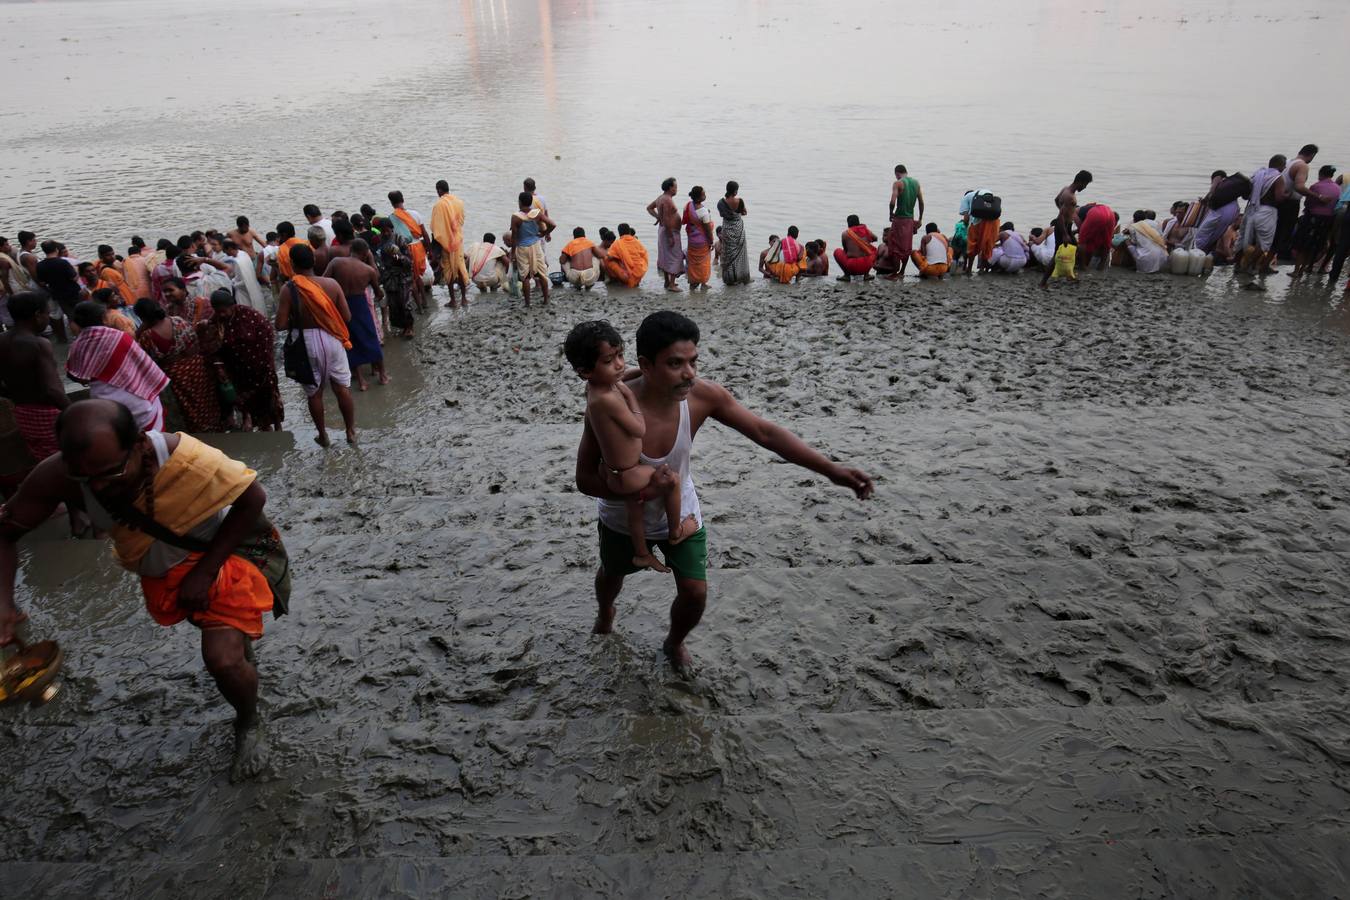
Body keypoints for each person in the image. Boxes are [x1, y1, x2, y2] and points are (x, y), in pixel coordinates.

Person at [0, 398, 290, 780]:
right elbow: (6, 533)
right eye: (87, 479)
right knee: (225, 642)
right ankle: (237, 643)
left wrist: (205, 572)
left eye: (111, 472)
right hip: (165, 573)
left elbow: (253, 498)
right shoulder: (59, 476)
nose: (99, 487)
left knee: (221, 659)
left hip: (227, 555)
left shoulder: (186, 457)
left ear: (139, 444)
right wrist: (4, 602)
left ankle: (249, 723)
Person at [574, 311, 874, 670]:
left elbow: (764, 432)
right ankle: (606, 613)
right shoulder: (607, 407)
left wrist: (830, 469)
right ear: (646, 365)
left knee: (695, 592)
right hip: (623, 519)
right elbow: (584, 480)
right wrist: (639, 492)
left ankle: (675, 642)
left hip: (680, 511)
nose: (689, 373)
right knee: (611, 573)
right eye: (675, 364)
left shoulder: (702, 397)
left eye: (693, 361)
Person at [565, 321, 696, 573]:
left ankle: (641, 553)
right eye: (609, 361)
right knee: (672, 480)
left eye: (620, 356)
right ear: (585, 371)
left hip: (612, 471)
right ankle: (676, 530)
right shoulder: (609, 400)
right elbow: (638, 429)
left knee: (634, 511)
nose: (619, 365)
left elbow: (622, 376)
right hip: (629, 474)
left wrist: (639, 374)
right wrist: (631, 398)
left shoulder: (595, 388)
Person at [276, 244, 356, 447]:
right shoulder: (331, 284)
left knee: (314, 392)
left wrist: (299, 317)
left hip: (306, 343)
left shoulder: (289, 288)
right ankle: (350, 431)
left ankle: (323, 435)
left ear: (292, 264)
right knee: (342, 387)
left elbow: (280, 325)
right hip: (333, 339)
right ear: (313, 261)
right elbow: (346, 316)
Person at [66, 303, 168, 430]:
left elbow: (74, 375)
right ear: (103, 318)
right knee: (153, 439)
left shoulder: (77, 346)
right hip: (136, 396)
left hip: (105, 404)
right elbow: (143, 363)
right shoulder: (119, 337)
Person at [197, 289, 283, 431]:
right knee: (249, 405)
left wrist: (266, 366)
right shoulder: (216, 320)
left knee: (270, 403)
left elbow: (268, 337)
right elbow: (212, 347)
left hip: (261, 369)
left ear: (232, 306)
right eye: (218, 311)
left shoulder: (252, 317)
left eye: (224, 311)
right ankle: (257, 424)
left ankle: (278, 431)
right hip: (238, 372)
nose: (221, 315)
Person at [133, 298, 222, 433]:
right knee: (205, 398)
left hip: (176, 375)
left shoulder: (147, 336)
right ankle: (215, 426)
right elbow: (194, 339)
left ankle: (200, 432)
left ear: (142, 317)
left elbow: (146, 360)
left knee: (188, 405)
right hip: (196, 367)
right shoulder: (178, 321)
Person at [0, 293, 69, 464]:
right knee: (65, 461)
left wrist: (17, 396)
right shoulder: (38, 344)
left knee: (45, 461)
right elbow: (52, 390)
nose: (48, 317)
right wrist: (73, 411)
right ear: (38, 315)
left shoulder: (2, 340)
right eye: (47, 313)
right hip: (47, 414)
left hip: (23, 414)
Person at [324, 241, 387, 391]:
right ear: (365, 254)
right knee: (371, 338)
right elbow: (378, 293)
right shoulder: (368, 270)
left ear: (350, 249)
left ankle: (361, 381)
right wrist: (381, 295)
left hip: (342, 305)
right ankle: (382, 375)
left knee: (350, 341)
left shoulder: (336, 262)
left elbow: (324, 281)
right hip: (360, 305)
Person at [1236, 155, 1289, 276]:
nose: (1285, 167)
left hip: (1250, 209)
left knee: (1242, 239)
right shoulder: (1278, 177)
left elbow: (1246, 194)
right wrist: (1287, 194)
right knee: (1264, 244)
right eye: (1284, 164)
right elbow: (1279, 197)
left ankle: (1237, 265)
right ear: (1280, 165)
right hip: (1266, 212)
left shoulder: (1257, 174)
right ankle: (1249, 266)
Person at [1289, 164, 1339, 281]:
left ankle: (1296, 271)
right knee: (1314, 246)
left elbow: (1308, 204)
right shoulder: (1337, 188)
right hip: (1327, 221)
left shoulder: (1316, 187)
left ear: (1320, 174)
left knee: (1302, 246)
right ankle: (1304, 269)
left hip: (1312, 219)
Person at [388, 191, 431, 313]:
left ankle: (420, 308)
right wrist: (429, 249)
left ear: (391, 202)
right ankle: (425, 301)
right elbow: (424, 233)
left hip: (405, 249)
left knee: (411, 279)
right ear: (403, 199)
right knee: (418, 277)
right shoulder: (415, 214)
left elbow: (393, 238)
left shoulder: (392, 218)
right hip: (418, 248)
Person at [510, 191, 556, 306]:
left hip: (522, 248)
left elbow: (514, 237)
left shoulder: (516, 217)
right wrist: (544, 233)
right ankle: (545, 300)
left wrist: (512, 252)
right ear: (531, 203)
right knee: (542, 274)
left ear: (520, 202)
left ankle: (527, 303)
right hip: (536, 246)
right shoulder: (537, 214)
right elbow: (553, 224)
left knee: (525, 276)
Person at [1275, 144, 1318, 262]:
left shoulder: (1287, 162)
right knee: (1284, 232)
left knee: (1276, 231)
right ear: (1312, 155)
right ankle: (1276, 258)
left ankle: (1268, 257)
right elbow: (1299, 187)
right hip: (1290, 203)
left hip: (1278, 200)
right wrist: (1317, 196)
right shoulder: (1302, 166)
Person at [374, 218, 415, 339]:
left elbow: (409, 260)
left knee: (405, 302)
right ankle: (402, 326)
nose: (386, 233)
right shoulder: (378, 241)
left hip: (402, 275)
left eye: (388, 231)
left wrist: (399, 258)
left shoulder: (399, 239)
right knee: (393, 304)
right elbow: (377, 258)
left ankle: (409, 327)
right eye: (383, 231)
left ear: (392, 229)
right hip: (388, 276)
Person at [432, 180, 469, 309]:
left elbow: (436, 228)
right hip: (458, 241)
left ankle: (453, 300)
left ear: (439, 190)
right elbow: (461, 220)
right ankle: (464, 298)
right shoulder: (459, 202)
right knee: (460, 267)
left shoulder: (439, 205)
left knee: (448, 271)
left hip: (446, 243)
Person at [33, 240, 79, 341]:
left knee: (66, 315)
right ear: (56, 249)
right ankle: (80, 336)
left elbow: (42, 283)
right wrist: (76, 269)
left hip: (57, 293)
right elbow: (74, 278)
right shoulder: (63, 262)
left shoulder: (40, 265)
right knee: (75, 316)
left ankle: (63, 338)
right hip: (72, 292)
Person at [648, 177, 686, 292]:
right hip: (669, 231)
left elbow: (649, 208)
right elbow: (668, 219)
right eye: (675, 187)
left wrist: (657, 217)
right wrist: (670, 236)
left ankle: (667, 281)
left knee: (665, 256)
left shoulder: (661, 198)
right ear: (670, 188)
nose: (677, 189)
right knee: (675, 256)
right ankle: (672, 284)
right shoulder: (667, 200)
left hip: (664, 230)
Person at [886, 164, 924, 279]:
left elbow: (893, 201)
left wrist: (890, 213)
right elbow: (921, 202)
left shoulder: (898, 183)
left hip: (899, 218)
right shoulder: (916, 183)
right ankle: (902, 272)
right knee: (907, 246)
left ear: (897, 173)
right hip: (910, 219)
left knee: (895, 245)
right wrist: (920, 218)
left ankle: (894, 273)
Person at [1192, 170, 1237, 254]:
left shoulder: (1218, 178)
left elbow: (1212, 190)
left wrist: (1205, 200)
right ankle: (1207, 255)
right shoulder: (1230, 186)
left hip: (1222, 213)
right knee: (1215, 235)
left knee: (1200, 236)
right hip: (1232, 212)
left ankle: (1198, 255)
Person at [717, 181, 751, 285]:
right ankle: (742, 276)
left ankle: (730, 279)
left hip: (727, 229)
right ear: (735, 191)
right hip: (738, 229)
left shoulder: (721, 203)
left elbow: (722, 214)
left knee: (728, 254)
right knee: (740, 254)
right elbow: (744, 212)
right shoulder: (739, 201)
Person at [959, 188, 1000, 274]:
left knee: (972, 244)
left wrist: (966, 227)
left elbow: (966, 217)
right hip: (993, 221)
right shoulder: (986, 193)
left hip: (977, 221)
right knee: (987, 243)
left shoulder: (966, 197)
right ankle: (982, 269)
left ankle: (969, 269)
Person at [683, 186, 715, 290]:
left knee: (693, 263)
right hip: (702, 241)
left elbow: (688, 219)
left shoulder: (688, 205)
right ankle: (703, 283)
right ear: (698, 197)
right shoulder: (703, 212)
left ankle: (692, 283)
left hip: (692, 239)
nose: (705, 195)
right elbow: (707, 230)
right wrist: (711, 242)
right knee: (704, 263)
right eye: (703, 194)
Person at [1041, 201, 1079, 287]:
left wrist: (1073, 238)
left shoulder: (1070, 216)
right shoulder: (1065, 211)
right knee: (1056, 256)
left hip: (1066, 232)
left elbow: (1069, 228)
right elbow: (1060, 220)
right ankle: (1043, 281)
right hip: (1062, 233)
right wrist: (1065, 235)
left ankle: (1070, 274)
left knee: (1074, 251)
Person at [602, 224, 649, 288]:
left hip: (627, 276)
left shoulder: (617, 243)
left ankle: (615, 279)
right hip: (640, 272)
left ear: (619, 233)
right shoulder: (637, 242)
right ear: (629, 232)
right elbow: (644, 254)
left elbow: (609, 257)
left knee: (606, 259)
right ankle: (635, 280)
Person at [834, 215, 878, 281]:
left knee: (837, 251)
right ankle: (867, 275)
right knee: (874, 251)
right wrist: (866, 242)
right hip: (866, 265)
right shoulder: (866, 230)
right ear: (858, 222)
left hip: (852, 266)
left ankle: (846, 275)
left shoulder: (845, 233)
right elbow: (875, 238)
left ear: (848, 223)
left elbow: (845, 249)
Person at [1075, 202, 1116, 271]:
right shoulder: (1087, 207)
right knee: (1106, 241)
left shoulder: (1073, 211)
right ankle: (1101, 266)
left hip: (1095, 214)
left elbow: (1080, 229)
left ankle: (1082, 266)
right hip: (1110, 213)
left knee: (1082, 241)